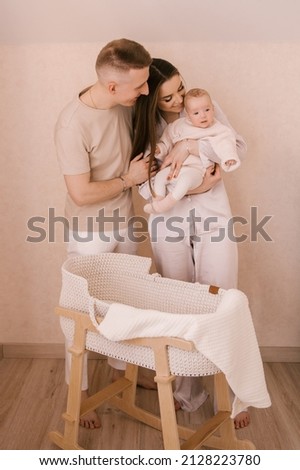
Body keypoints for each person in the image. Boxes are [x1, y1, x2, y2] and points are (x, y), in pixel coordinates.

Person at [132, 58, 250, 429]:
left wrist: (190, 148)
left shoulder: (202, 106)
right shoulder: (143, 126)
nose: (179, 99)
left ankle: (235, 394)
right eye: (168, 97)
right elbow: (142, 183)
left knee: (223, 299)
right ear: (150, 98)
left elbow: (237, 148)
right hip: (168, 222)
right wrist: (189, 174)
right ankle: (187, 391)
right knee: (178, 303)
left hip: (213, 216)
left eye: (181, 88)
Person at [54, 38, 157, 429]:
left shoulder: (121, 103)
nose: (145, 91)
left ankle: (121, 372)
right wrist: (126, 179)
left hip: (125, 220)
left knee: (126, 302)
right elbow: (80, 194)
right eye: (139, 85)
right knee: (82, 313)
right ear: (113, 86)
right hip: (90, 231)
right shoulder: (72, 123)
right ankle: (77, 395)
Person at [144, 87, 240, 214]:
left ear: (213, 109)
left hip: (197, 171)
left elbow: (227, 144)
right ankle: (158, 201)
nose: (203, 115)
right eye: (196, 113)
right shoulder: (179, 126)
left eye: (207, 110)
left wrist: (229, 157)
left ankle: (167, 203)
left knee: (185, 181)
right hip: (175, 170)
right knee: (161, 177)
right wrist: (159, 149)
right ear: (188, 115)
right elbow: (166, 140)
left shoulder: (218, 129)